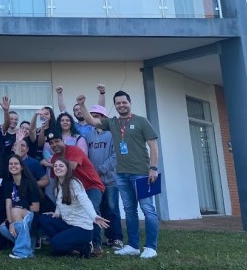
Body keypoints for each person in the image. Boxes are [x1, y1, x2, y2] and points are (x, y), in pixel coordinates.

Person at [76, 90, 160, 259]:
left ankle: (151, 247)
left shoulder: (141, 121)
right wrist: (82, 105)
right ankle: (133, 246)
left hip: (143, 173)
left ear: (129, 103)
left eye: (124, 102)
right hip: (121, 174)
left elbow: (153, 146)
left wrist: (153, 168)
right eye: (118, 103)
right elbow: (91, 120)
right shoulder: (112, 123)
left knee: (148, 209)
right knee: (129, 211)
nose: (121, 105)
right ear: (115, 106)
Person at [40, 157, 109, 258]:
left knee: (55, 243)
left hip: (83, 228)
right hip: (68, 224)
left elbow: (85, 201)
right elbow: (60, 203)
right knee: (44, 219)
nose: (57, 168)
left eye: (61, 166)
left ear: (67, 169)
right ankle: (66, 246)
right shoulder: (57, 185)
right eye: (55, 166)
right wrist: (57, 213)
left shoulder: (74, 183)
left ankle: (85, 246)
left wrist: (94, 216)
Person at [85, 103, 124, 254]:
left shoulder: (113, 134)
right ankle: (104, 238)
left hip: (110, 179)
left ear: (104, 118)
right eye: (93, 116)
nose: (95, 118)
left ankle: (117, 238)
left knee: (113, 209)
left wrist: (100, 170)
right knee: (98, 210)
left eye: (97, 116)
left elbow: (116, 156)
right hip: (94, 181)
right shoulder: (88, 136)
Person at [0, 155, 40, 259]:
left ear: (22, 167)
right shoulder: (8, 184)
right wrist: (11, 222)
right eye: (11, 164)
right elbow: (8, 205)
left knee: (16, 210)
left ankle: (22, 252)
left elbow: (36, 207)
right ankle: (28, 245)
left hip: (31, 218)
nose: (13, 166)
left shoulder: (30, 183)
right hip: (16, 217)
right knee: (3, 227)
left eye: (16, 163)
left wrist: (19, 210)